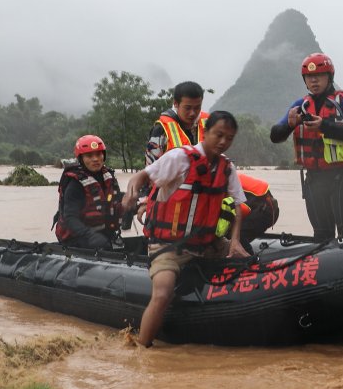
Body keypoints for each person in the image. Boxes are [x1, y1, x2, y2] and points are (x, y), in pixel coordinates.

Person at [122, 110, 250, 348]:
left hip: (207, 244)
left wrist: (234, 242)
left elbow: (239, 206)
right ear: (206, 131)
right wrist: (131, 193)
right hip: (169, 246)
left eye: (229, 138)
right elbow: (142, 176)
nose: (223, 142)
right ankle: (143, 350)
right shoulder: (179, 158)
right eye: (218, 135)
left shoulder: (226, 168)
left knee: (249, 262)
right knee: (162, 294)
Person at [269, 53, 343, 241]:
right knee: (321, 237)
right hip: (314, 181)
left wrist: (324, 126)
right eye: (309, 77)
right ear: (305, 80)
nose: (314, 80)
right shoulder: (300, 105)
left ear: (329, 77)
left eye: (319, 76)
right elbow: (275, 136)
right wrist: (290, 125)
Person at [53, 134, 124, 250]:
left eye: (98, 154)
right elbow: (70, 218)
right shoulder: (75, 184)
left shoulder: (109, 178)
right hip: (77, 237)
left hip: (102, 233)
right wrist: (90, 236)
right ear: (81, 158)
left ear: (104, 155)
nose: (95, 159)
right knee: (101, 244)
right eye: (89, 156)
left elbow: (116, 203)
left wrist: (132, 204)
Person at [146, 80, 209, 167]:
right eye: (188, 108)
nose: (193, 113)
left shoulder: (209, 124)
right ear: (176, 103)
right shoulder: (161, 129)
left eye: (197, 107)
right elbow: (150, 168)